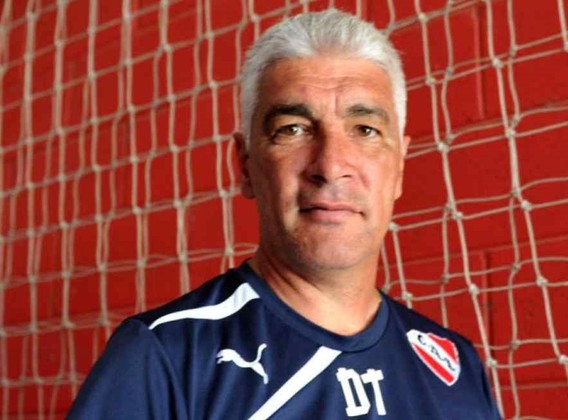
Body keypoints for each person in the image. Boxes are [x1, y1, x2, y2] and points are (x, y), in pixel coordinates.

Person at [68, 9, 501, 419]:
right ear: (245, 166)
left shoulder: (455, 367)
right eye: (293, 130)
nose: (331, 165)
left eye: (365, 130)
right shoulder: (164, 357)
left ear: (400, 167)